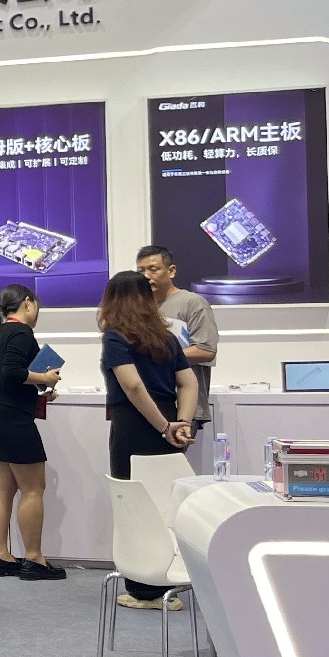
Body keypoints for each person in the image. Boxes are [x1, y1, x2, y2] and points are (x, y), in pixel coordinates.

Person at [99, 270, 197, 609]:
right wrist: (181, 423)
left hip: (135, 425)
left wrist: (164, 426)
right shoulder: (166, 338)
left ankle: (145, 590)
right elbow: (188, 383)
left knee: (135, 505)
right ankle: (167, 579)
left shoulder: (115, 338)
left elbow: (132, 386)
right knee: (165, 502)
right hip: (166, 420)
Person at [0, 285, 66, 581]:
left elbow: (8, 378)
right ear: (28, 303)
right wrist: (45, 377)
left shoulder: (2, 333)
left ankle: (0, 555)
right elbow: (13, 372)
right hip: (15, 421)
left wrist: (39, 391)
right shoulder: (21, 332)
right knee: (33, 489)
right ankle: (34, 558)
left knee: (2, 489)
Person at [136, 245, 218, 467]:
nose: (146, 276)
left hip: (181, 403)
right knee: (145, 470)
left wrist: (157, 356)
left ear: (171, 271)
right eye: (141, 271)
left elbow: (205, 350)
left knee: (168, 468)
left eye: (153, 269)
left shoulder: (192, 303)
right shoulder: (140, 308)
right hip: (147, 402)